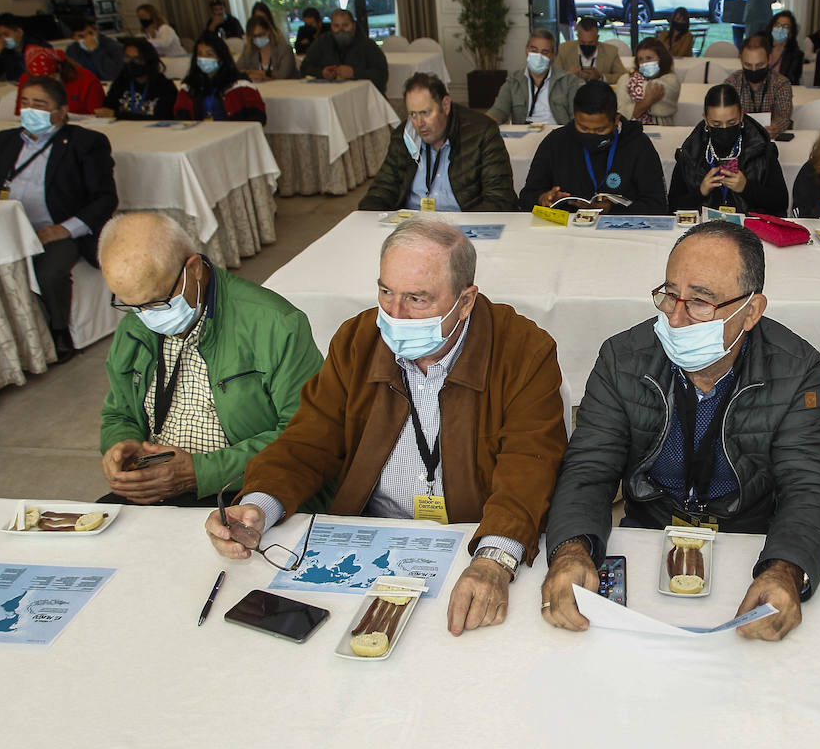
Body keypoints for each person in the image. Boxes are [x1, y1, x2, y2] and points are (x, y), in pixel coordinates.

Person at [205, 218, 568, 636]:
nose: (394, 315)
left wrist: (494, 558)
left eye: (417, 298)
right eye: (385, 292)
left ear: (466, 301)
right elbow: (308, 441)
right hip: (369, 537)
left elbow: (530, 466)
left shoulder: (524, 349)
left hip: (471, 543)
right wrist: (258, 506)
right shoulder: (359, 338)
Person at [540, 220, 820, 641]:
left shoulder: (794, 368)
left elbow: (811, 484)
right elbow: (589, 467)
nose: (676, 319)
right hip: (648, 532)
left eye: (700, 302)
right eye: (669, 295)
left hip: (746, 539)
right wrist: (571, 549)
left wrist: (786, 569)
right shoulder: (622, 357)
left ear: (751, 311)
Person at [98, 213, 322, 507]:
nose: (147, 317)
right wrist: (121, 446)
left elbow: (309, 437)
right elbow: (119, 414)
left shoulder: (275, 324)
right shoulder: (137, 324)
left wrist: (201, 472)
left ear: (194, 269)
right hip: (160, 484)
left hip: (247, 488)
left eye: (157, 302)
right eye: (131, 306)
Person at [0, 75, 117, 363]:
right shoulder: (6, 140)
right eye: (26, 103)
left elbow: (105, 198)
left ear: (61, 111)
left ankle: (59, 332)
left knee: (50, 270)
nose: (30, 110)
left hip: (54, 229)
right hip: (9, 229)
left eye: (39, 104)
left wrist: (65, 229)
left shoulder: (85, 143)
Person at [359, 72, 517, 212]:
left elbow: (500, 200)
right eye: (412, 114)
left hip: (463, 230)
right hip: (414, 229)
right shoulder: (404, 135)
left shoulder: (482, 132)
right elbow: (381, 190)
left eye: (425, 113)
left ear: (445, 105)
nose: (419, 123)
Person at [518, 80, 668, 215]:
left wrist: (613, 210)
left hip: (621, 233)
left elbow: (657, 205)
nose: (591, 135)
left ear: (616, 120)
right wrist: (543, 199)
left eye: (600, 130)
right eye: (583, 128)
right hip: (566, 233)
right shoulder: (556, 142)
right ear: (575, 117)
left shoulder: (638, 144)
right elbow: (526, 198)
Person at [669, 83, 787, 216]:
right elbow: (673, 206)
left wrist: (747, 188)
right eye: (716, 124)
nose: (724, 128)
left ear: (741, 115)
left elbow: (781, 202)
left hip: (750, 229)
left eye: (731, 123)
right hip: (704, 230)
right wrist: (700, 192)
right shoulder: (690, 152)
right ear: (706, 119)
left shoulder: (761, 149)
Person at [487, 29, 579, 126]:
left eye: (545, 52)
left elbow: (576, 116)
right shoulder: (513, 81)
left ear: (553, 55)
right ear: (526, 50)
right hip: (523, 134)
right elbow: (498, 111)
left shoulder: (568, 81)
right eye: (534, 50)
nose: (538, 56)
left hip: (556, 133)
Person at [173, 33, 267, 123]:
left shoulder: (240, 84)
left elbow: (259, 116)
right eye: (200, 54)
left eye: (209, 54)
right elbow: (180, 115)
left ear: (221, 59)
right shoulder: (189, 86)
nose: (203, 58)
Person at [300, 8, 389, 94]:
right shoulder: (322, 42)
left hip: (363, 95)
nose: (341, 30)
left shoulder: (368, 45)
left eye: (345, 25)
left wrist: (354, 73)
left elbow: (382, 74)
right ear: (331, 26)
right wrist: (322, 73)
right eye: (336, 26)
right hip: (329, 93)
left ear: (353, 25)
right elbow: (304, 67)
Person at [726, 34, 793, 139]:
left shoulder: (781, 83)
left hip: (771, 139)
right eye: (748, 65)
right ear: (741, 60)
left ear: (769, 59)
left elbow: (783, 117)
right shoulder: (732, 83)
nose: (753, 70)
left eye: (759, 65)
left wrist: (776, 128)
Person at [95, 39, 177, 121]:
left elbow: (162, 118)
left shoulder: (165, 86)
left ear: (148, 60)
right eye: (127, 57)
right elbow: (107, 110)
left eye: (137, 58)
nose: (131, 63)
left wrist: (117, 114)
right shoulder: (121, 82)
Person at [15, 47, 104, 116]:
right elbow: (20, 114)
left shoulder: (86, 80)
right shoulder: (26, 79)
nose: (44, 85)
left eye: (48, 79)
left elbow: (99, 115)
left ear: (59, 70)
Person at [615, 38, 680, 126]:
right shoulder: (625, 79)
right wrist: (648, 101)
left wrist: (634, 82)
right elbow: (622, 113)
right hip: (630, 130)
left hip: (662, 129)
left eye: (649, 58)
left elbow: (656, 89)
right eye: (640, 59)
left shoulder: (672, 80)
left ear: (662, 58)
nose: (644, 63)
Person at [555, 17, 630, 84]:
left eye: (591, 42)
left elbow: (623, 76)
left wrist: (600, 77)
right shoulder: (563, 49)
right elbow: (553, 76)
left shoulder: (610, 51)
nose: (586, 45)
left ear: (597, 38)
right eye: (583, 42)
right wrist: (568, 75)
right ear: (578, 37)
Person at [0, 13, 52, 82]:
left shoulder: (39, 47)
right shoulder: (5, 52)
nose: (2, 39)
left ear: (19, 32)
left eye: (6, 34)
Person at [236, 14, 298, 82]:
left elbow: (282, 75)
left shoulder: (285, 49)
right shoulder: (248, 50)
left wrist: (260, 73)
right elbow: (237, 71)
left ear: (268, 31)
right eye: (254, 36)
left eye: (260, 35)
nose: (257, 38)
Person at [766, 10, 804, 85]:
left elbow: (792, 80)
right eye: (777, 25)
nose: (780, 29)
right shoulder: (762, 48)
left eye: (785, 26)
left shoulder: (796, 55)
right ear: (772, 27)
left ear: (791, 32)